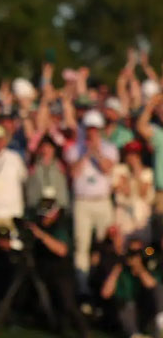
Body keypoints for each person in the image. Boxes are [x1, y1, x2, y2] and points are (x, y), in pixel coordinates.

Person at [20, 189, 101, 338]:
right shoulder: (40, 223)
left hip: (63, 273)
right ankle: (59, 326)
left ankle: (86, 336)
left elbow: (61, 250)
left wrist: (40, 235)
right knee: (56, 304)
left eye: (47, 215)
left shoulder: (60, 226)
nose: (44, 218)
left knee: (69, 304)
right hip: (47, 271)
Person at [64, 118, 117, 280]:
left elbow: (106, 168)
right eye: (89, 129)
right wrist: (86, 153)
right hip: (82, 202)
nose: (91, 133)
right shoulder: (74, 149)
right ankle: (83, 285)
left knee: (106, 243)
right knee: (82, 245)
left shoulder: (109, 148)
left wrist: (97, 152)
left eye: (94, 130)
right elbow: (73, 173)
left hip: (102, 201)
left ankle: (104, 280)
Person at [97, 231, 159, 338]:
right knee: (127, 306)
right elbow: (105, 293)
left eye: (137, 252)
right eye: (131, 252)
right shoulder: (119, 267)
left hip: (146, 309)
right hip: (126, 309)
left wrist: (139, 268)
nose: (134, 255)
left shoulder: (149, 265)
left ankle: (156, 330)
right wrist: (116, 271)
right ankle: (134, 335)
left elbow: (153, 286)